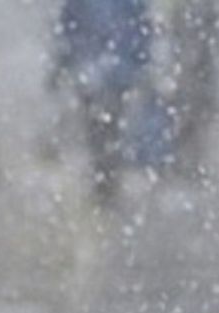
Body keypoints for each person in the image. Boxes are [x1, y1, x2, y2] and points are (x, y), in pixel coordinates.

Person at [53, 0, 153, 205]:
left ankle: (104, 177)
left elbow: (69, 27)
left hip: (99, 73)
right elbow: (140, 30)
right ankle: (106, 177)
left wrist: (67, 63)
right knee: (106, 127)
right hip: (109, 73)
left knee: (101, 127)